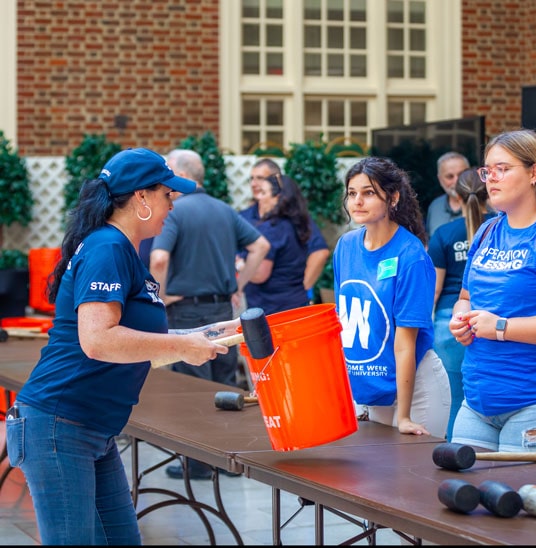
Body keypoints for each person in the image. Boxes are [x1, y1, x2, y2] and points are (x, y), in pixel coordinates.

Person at [2, 147, 243, 545]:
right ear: (141, 198)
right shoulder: (107, 248)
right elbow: (98, 340)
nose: (174, 203)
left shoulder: (120, 250)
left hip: (90, 427)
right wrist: (181, 347)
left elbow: (133, 336)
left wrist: (205, 335)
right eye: (168, 194)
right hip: (62, 425)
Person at [448, 129, 536, 461]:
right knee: (463, 504)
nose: (491, 179)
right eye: (488, 170)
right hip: (478, 401)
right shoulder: (487, 230)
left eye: (503, 168)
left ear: (534, 172)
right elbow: (467, 295)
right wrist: (461, 317)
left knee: (522, 507)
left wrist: (501, 327)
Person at [150, 149, 269, 480]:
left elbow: (159, 259)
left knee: (193, 389)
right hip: (222, 308)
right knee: (225, 383)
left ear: (181, 175)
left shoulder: (174, 211)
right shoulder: (223, 210)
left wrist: (157, 298)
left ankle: (200, 463)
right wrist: (238, 285)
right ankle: (229, 461)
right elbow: (260, 246)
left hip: (186, 311)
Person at [333, 156, 451, 437]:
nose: (357, 201)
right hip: (371, 390)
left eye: (369, 193)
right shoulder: (346, 246)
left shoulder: (411, 256)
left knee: (414, 478)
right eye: (352, 193)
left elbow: (404, 343)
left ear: (393, 197)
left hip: (415, 389)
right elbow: (343, 321)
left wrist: (405, 416)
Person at [427, 167, 495, 440]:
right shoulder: (502, 229)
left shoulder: (444, 234)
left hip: (450, 322)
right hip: (490, 320)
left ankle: (456, 453)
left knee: (456, 400)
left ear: (457, 195)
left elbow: (435, 290)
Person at [240, 158, 331, 300]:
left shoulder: (291, 220)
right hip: (253, 301)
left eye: (260, 178)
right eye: (251, 178)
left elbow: (320, 252)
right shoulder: (244, 217)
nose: (254, 183)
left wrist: (302, 288)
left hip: (278, 303)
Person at [425, 151, 470, 237]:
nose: (456, 181)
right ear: (440, 179)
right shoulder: (435, 206)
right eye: (450, 176)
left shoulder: (483, 205)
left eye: (461, 174)